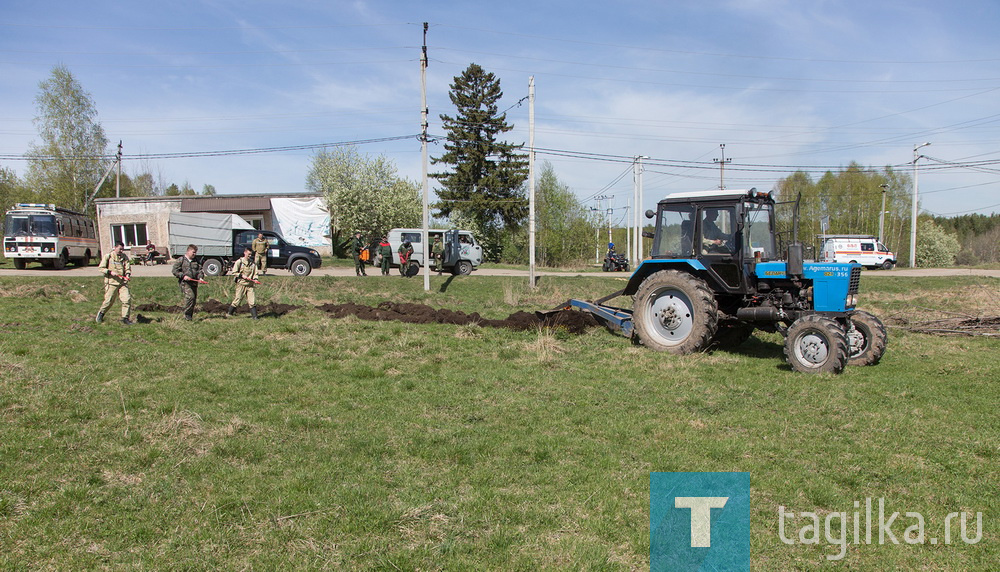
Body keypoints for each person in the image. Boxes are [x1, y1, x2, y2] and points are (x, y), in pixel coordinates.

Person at [96, 241, 133, 325]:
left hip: (122, 283)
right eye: (120, 249)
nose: (121, 251)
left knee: (126, 299)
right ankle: (101, 314)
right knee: (109, 301)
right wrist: (110, 272)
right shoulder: (108, 256)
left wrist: (127, 274)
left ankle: (125, 318)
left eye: (122, 249)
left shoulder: (124, 257)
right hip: (112, 283)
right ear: (115, 247)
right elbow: (101, 268)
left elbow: (127, 268)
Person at [172, 244, 204, 321]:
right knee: (190, 297)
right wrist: (183, 276)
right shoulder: (181, 260)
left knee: (193, 300)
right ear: (188, 251)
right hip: (185, 283)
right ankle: (186, 315)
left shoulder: (196, 260)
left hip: (194, 282)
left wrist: (200, 277)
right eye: (193, 252)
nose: (194, 254)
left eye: (195, 252)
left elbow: (200, 270)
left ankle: (189, 316)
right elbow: (174, 271)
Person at [227, 247, 260, 320]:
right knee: (237, 300)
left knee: (252, 301)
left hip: (250, 285)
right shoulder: (239, 262)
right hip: (241, 284)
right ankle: (229, 313)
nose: (250, 256)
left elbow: (255, 273)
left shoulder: (253, 263)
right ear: (245, 253)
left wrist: (255, 279)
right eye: (248, 254)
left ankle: (255, 317)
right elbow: (234, 272)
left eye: (251, 255)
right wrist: (241, 275)